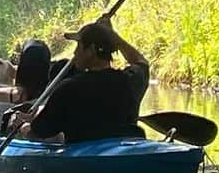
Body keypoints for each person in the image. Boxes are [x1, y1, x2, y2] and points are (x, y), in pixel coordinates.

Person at [17, 17, 148, 143]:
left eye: (79, 46)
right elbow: (141, 62)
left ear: (90, 50)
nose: (74, 53)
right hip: (129, 144)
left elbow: (38, 133)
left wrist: (23, 127)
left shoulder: (68, 89)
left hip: (86, 156)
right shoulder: (131, 80)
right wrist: (114, 37)